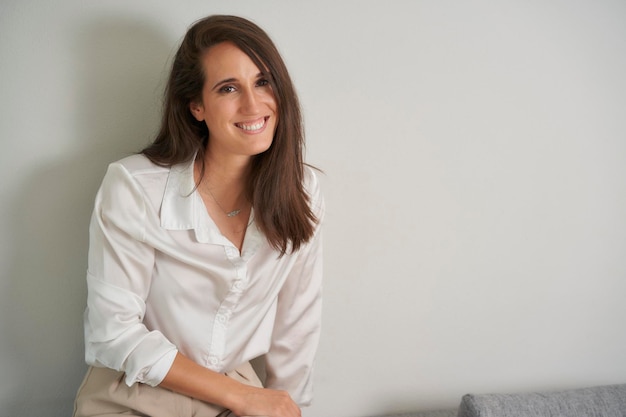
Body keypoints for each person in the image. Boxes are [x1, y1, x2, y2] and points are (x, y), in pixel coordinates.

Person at [73, 14, 324, 417]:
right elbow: (112, 333)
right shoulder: (134, 187)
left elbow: (296, 325)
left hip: (240, 396)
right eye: (229, 88)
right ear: (196, 106)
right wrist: (242, 397)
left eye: (263, 81)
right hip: (136, 393)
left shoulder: (303, 191)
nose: (253, 103)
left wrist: (290, 408)